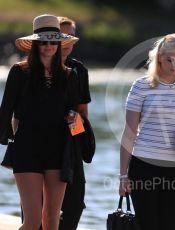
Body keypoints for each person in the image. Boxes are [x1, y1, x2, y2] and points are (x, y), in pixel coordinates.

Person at [0, 14, 79, 230]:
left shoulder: (70, 75)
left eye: (53, 41)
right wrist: (10, 141)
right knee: (32, 221)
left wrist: (76, 126)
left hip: (58, 149)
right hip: (27, 148)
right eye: (43, 41)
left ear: (59, 43)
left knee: (52, 220)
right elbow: (5, 110)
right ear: (35, 44)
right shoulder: (19, 71)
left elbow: (75, 115)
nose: (48, 46)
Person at [119, 33, 175, 230]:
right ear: (159, 58)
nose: (174, 64)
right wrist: (122, 176)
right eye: (169, 59)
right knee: (147, 226)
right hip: (143, 165)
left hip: (174, 169)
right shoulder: (141, 86)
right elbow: (129, 132)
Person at [57, 16, 92, 230]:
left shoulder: (79, 70)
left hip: (71, 143)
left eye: (71, 36)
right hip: (41, 143)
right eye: (62, 36)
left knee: (75, 202)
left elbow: (83, 112)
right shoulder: (31, 68)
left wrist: (80, 141)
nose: (67, 41)